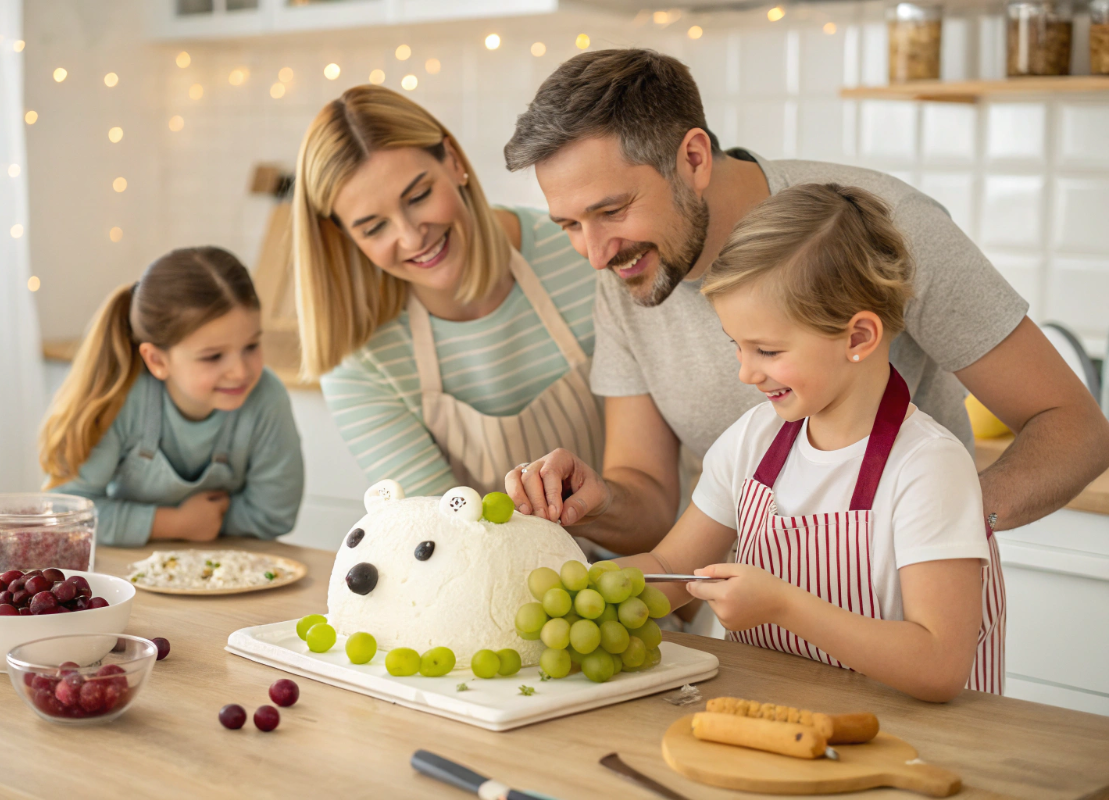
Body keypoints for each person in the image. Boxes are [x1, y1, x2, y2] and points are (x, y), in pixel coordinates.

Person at [503, 48, 1109, 552]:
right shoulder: (625, 271)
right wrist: (600, 501)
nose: (595, 253)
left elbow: (1075, 429)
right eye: (568, 225)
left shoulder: (884, 228)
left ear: (692, 158)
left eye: (611, 211)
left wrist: (941, 534)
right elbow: (653, 499)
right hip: (754, 631)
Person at [619, 183, 1004, 699]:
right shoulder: (753, 443)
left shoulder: (928, 467)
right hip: (773, 729)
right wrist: (572, 577)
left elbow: (939, 665)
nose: (746, 372)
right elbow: (667, 571)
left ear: (858, 337)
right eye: (737, 346)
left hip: (910, 754)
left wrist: (783, 605)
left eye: (767, 350)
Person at [293, 86, 600, 499]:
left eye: (418, 197)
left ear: (453, 161)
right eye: (373, 228)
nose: (411, 236)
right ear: (345, 237)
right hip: (489, 563)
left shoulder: (582, 251)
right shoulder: (361, 355)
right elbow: (435, 526)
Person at [40, 247, 305, 546]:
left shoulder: (267, 398)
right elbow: (67, 515)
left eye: (251, 346)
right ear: (157, 361)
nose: (240, 371)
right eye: (213, 356)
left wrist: (204, 523)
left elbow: (275, 514)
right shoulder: (120, 397)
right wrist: (176, 524)